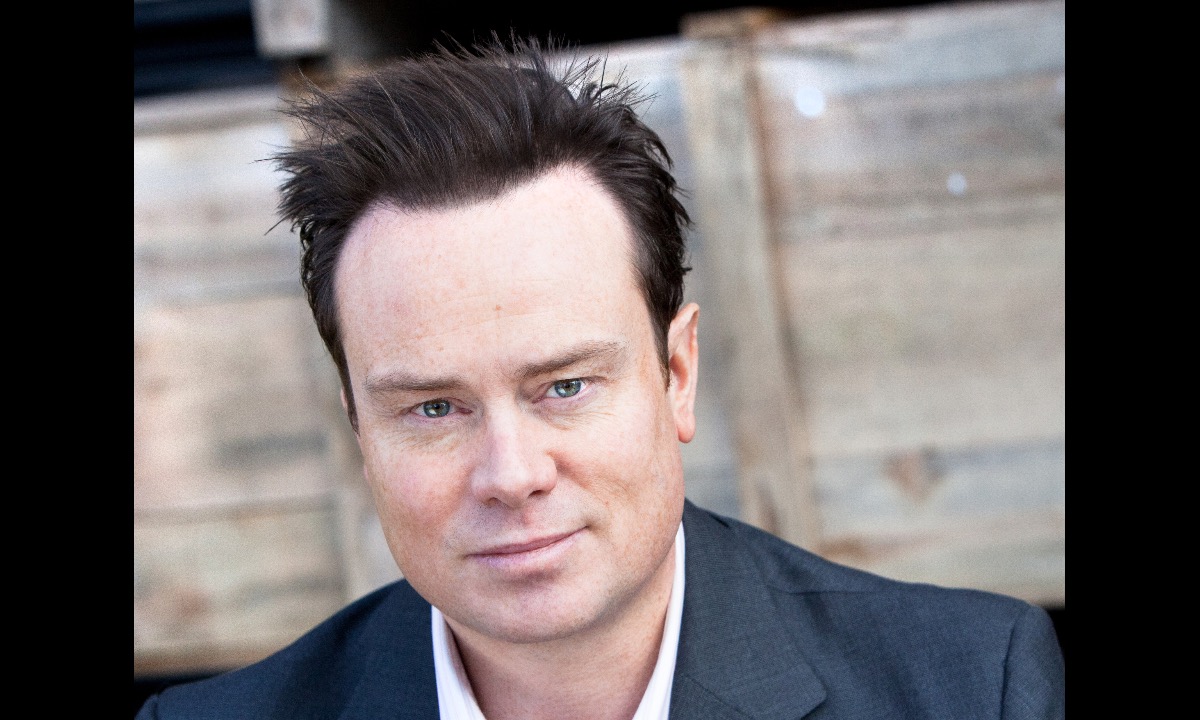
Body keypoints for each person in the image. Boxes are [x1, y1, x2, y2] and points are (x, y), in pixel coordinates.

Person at [136, 39, 1065, 720]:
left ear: (677, 374)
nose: (512, 474)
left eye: (565, 387)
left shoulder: (968, 689)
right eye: (434, 407)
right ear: (360, 433)